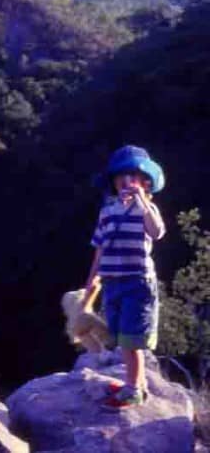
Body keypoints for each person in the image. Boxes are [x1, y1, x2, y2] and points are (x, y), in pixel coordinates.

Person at [83, 145, 166, 409]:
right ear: (113, 181)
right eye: (121, 176)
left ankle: (133, 391)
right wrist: (91, 280)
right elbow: (100, 247)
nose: (126, 181)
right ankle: (138, 384)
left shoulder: (148, 210)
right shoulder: (107, 211)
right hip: (112, 282)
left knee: (132, 339)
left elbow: (157, 233)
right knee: (120, 337)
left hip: (138, 282)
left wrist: (142, 202)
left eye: (133, 176)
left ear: (146, 183)